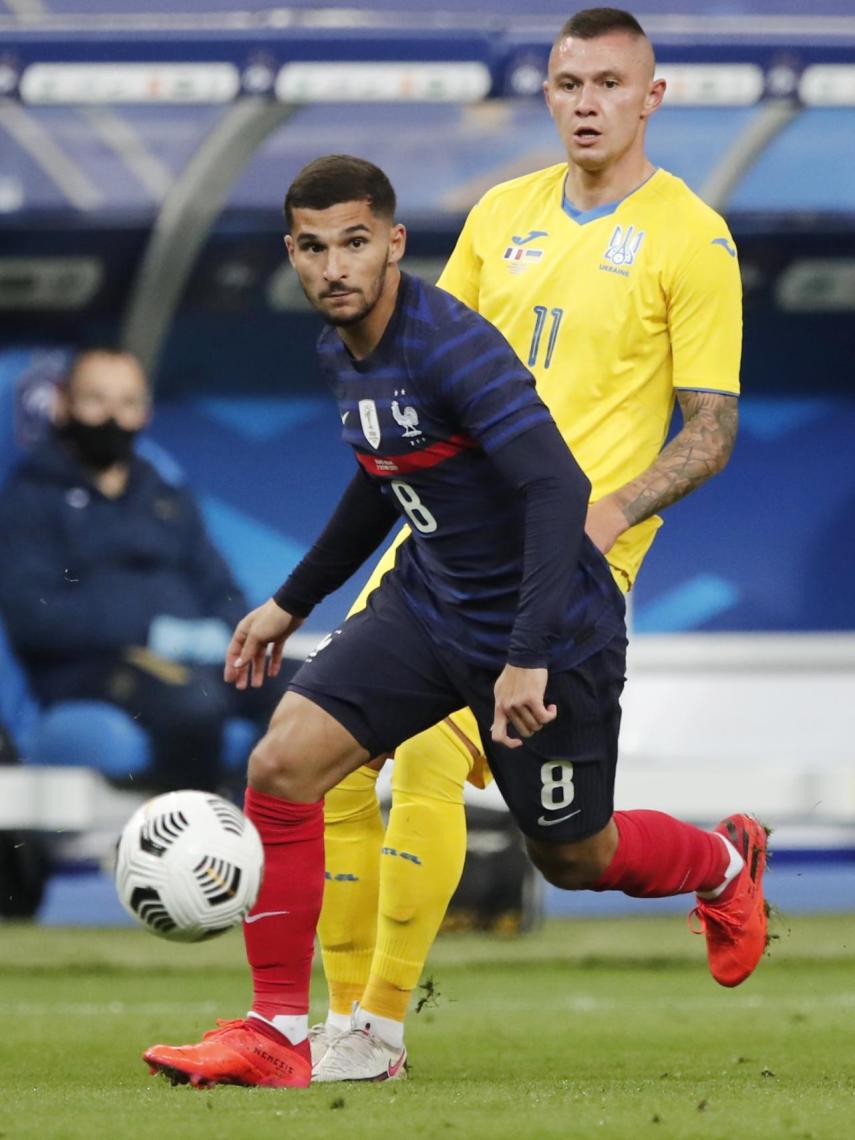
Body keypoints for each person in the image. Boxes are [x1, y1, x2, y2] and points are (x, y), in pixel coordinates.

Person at [142, 155, 766, 1092]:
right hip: (430, 605)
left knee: (573, 854)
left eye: (354, 243)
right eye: (313, 249)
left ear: (393, 244)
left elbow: (556, 486)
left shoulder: (451, 346)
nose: (333, 267)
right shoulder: (340, 351)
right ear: (292, 256)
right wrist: (289, 602)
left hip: (549, 624)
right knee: (284, 762)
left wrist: (525, 657)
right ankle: (277, 1028)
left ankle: (721, 862)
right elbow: (379, 475)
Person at [311, 6, 747, 1082]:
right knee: (332, 758)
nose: (586, 102)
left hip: (565, 567)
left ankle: (725, 862)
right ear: (547, 95)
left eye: (608, 84)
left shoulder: (694, 238)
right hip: (438, 545)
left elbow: (711, 429)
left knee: (572, 853)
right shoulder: (500, 214)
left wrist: (613, 510)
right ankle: (353, 1030)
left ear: (653, 98)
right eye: (568, 84)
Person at [0, 347, 292, 792]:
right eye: (96, 400)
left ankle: (277, 835)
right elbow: (35, 617)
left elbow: (219, 585)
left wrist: (237, 637)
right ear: (63, 405)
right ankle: (191, 847)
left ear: (147, 412)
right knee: (193, 703)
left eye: (128, 403)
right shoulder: (29, 498)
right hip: (93, 667)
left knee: (305, 689)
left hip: (193, 660)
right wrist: (147, 628)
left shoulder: (165, 494)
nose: (112, 418)